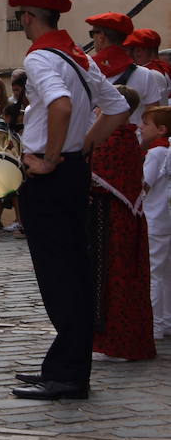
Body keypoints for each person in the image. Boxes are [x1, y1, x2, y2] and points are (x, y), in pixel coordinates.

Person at [7, 0, 129, 400]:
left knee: (59, 275)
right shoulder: (80, 58)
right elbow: (117, 108)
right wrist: (84, 146)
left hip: (51, 175)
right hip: (73, 171)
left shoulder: (41, 57)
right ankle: (63, 364)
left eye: (20, 15)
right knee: (72, 270)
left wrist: (51, 157)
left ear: (29, 17)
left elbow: (59, 106)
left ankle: (68, 375)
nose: (19, 22)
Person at [88, 86, 155, 362]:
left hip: (110, 219)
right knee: (128, 275)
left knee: (111, 277)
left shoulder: (111, 140)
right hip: (127, 219)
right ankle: (128, 341)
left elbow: (94, 176)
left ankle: (114, 341)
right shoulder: (128, 137)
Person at [88, 13, 168, 140]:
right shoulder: (145, 74)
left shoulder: (85, 70)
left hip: (91, 146)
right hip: (131, 146)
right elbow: (154, 120)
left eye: (93, 34)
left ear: (101, 36)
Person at [143, 106, 171, 339]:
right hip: (163, 218)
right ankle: (166, 320)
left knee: (154, 273)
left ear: (161, 129)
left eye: (146, 125)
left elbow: (145, 184)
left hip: (155, 217)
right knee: (164, 273)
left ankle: (156, 324)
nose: (142, 129)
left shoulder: (157, 153)